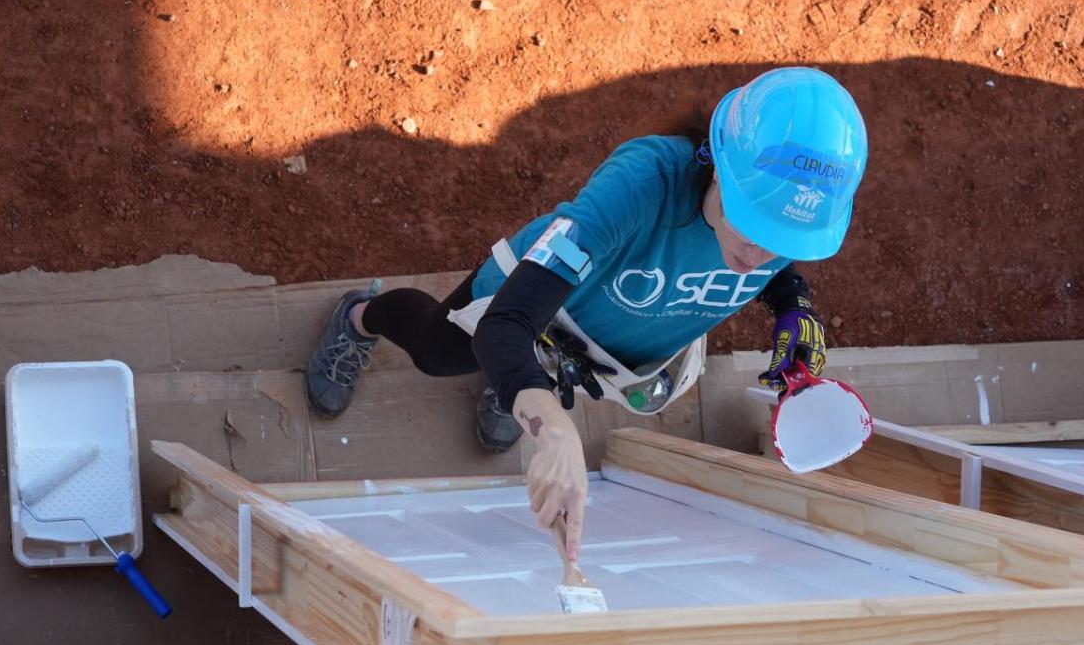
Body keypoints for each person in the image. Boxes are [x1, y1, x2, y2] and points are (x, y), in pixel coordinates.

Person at [303, 67, 868, 562]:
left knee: (521, 374)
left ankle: (517, 384)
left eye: (785, 240)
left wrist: (793, 302)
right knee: (436, 351)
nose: (760, 257)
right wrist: (552, 429)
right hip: (544, 303)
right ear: (721, 166)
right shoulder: (643, 185)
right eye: (753, 223)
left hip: (609, 344)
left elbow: (774, 258)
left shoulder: (779, 210)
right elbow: (506, 323)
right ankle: (362, 316)